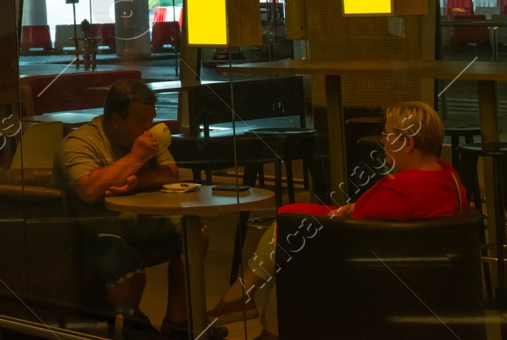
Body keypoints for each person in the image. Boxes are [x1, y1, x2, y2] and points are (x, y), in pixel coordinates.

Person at [208, 100, 469, 338]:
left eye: (387, 135)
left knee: (290, 233)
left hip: (368, 270)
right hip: (417, 273)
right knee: (291, 222)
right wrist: (354, 208)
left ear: (408, 143)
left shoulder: (402, 188)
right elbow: (384, 213)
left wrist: (346, 214)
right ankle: (250, 302)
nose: (383, 142)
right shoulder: (448, 177)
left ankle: (252, 307)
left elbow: (355, 232)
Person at [54, 80, 189, 338]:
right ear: (116, 119)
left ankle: (177, 320)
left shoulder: (146, 140)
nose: (148, 129)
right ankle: (135, 321)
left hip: (141, 223)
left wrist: (138, 181)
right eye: (140, 121)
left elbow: (171, 172)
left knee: (195, 235)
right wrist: (137, 158)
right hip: (96, 231)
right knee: (129, 272)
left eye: (150, 120)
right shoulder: (79, 143)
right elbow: (89, 189)